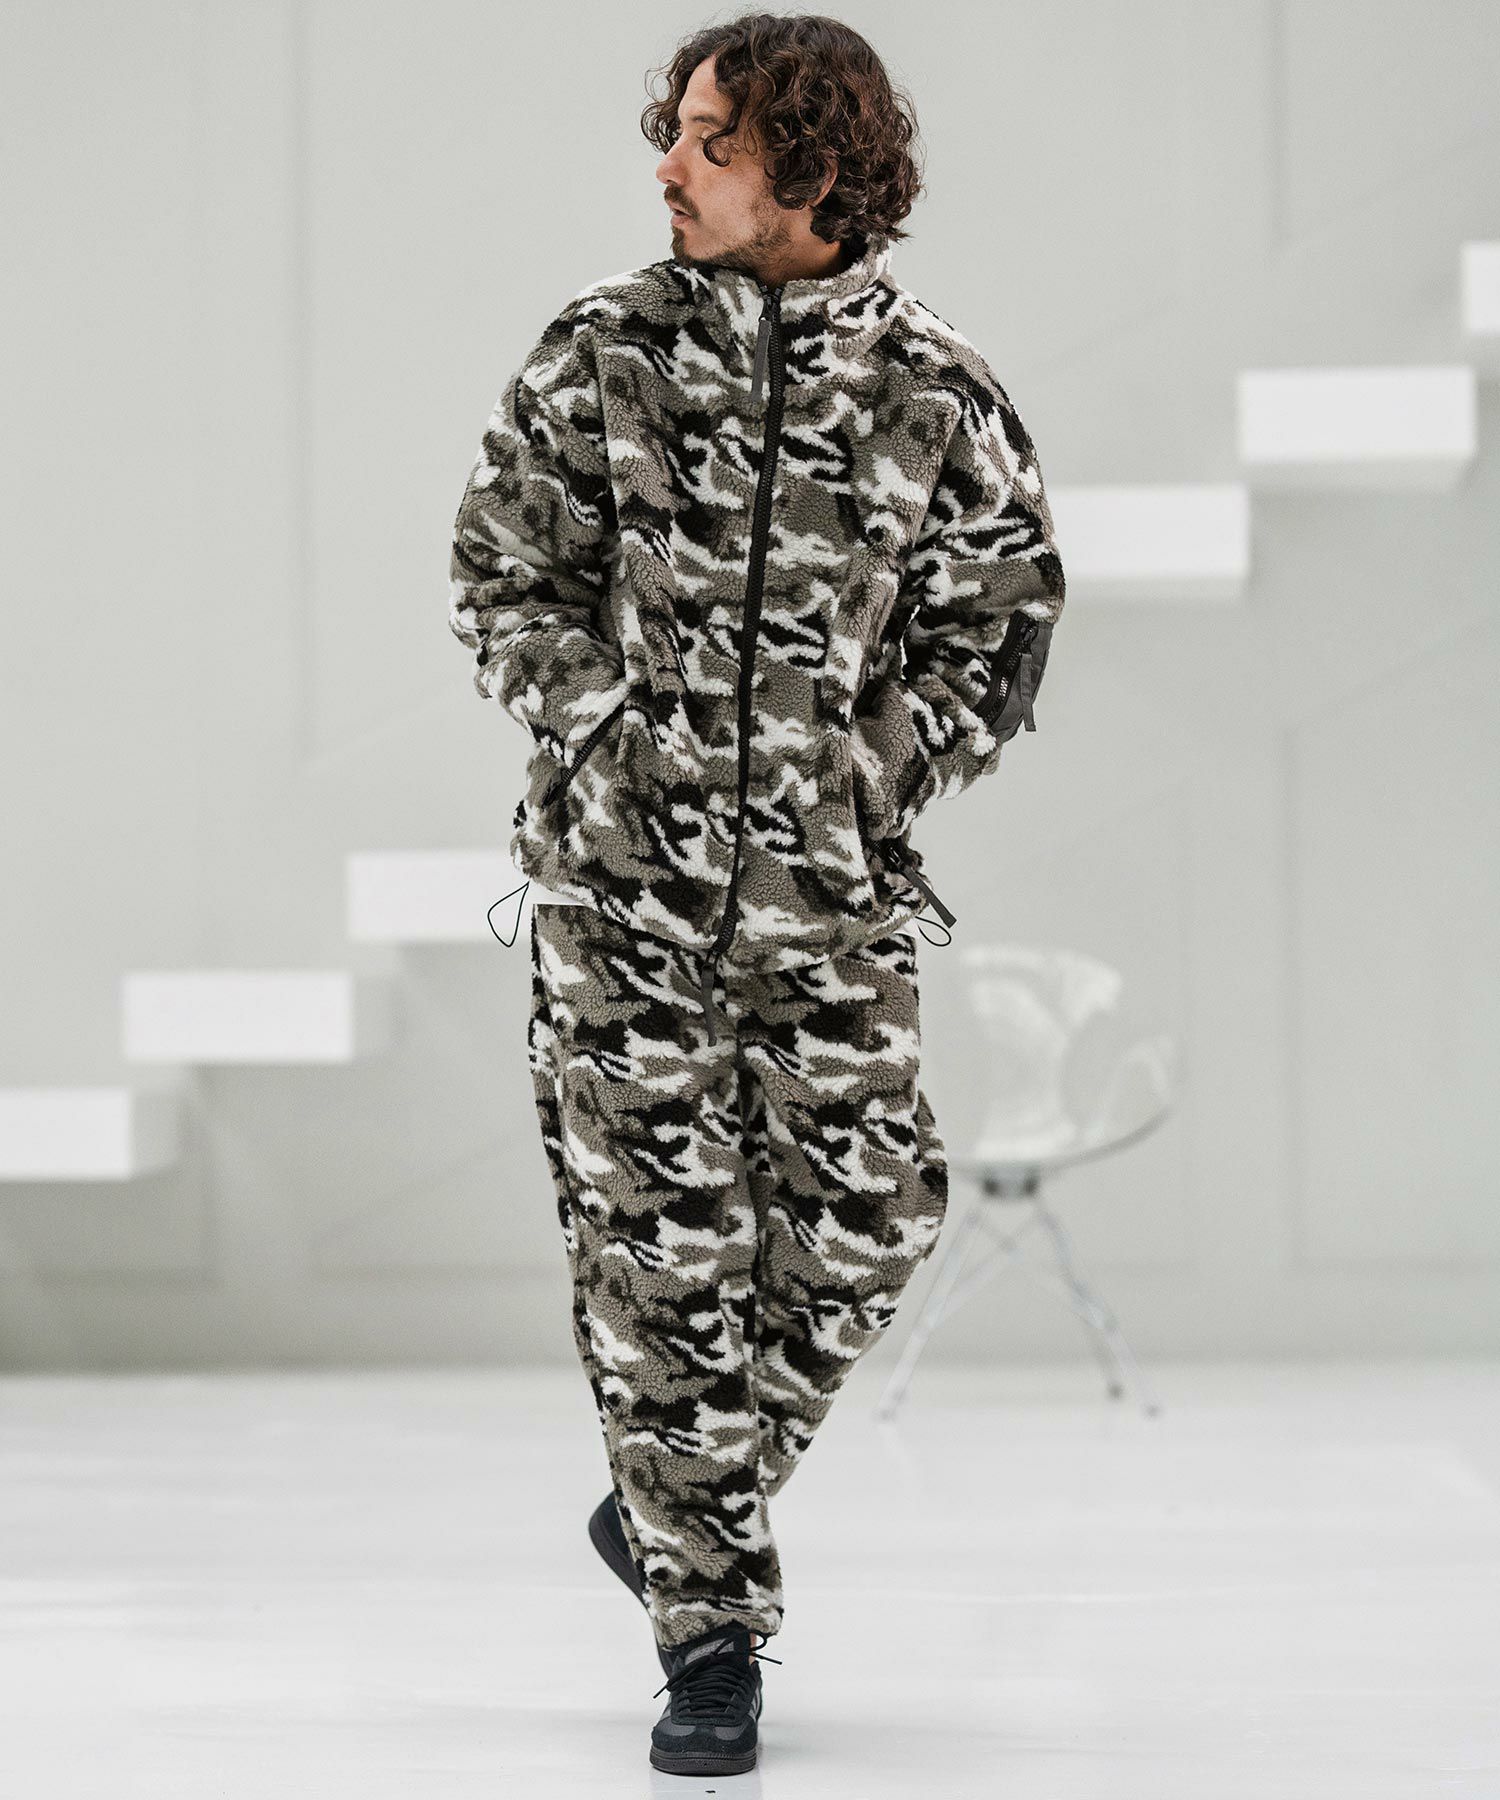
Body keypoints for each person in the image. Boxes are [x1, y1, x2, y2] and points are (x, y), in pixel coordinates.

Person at [447, 11, 1065, 1778]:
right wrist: (611, 731)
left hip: (831, 897)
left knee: (874, 1214)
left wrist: (877, 770)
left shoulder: (934, 386)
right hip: (618, 898)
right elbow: (503, 574)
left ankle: (669, 1502)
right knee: (664, 1264)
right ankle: (710, 1641)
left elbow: (1002, 613)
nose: (669, 165)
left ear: (812, 163)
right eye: (677, 131)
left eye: (709, 140)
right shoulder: (602, 352)